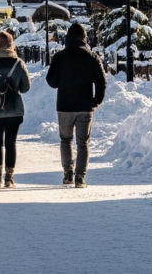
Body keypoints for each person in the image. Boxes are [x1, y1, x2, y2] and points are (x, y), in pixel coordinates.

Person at [46, 21, 106, 188]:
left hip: (64, 105)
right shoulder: (92, 57)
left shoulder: (59, 57)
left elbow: (51, 81)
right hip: (85, 106)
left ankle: (67, 173)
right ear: (84, 38)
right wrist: (97, 100)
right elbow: (101, 81)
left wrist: (62, 80)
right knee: (83, 142)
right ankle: (80, 177)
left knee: (65, 140)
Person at [0, 30, 31, 188]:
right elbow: (26, 88)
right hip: (14, 109)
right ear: (11, 44)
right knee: (10, 143)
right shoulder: (18, 63)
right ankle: (9, 178)